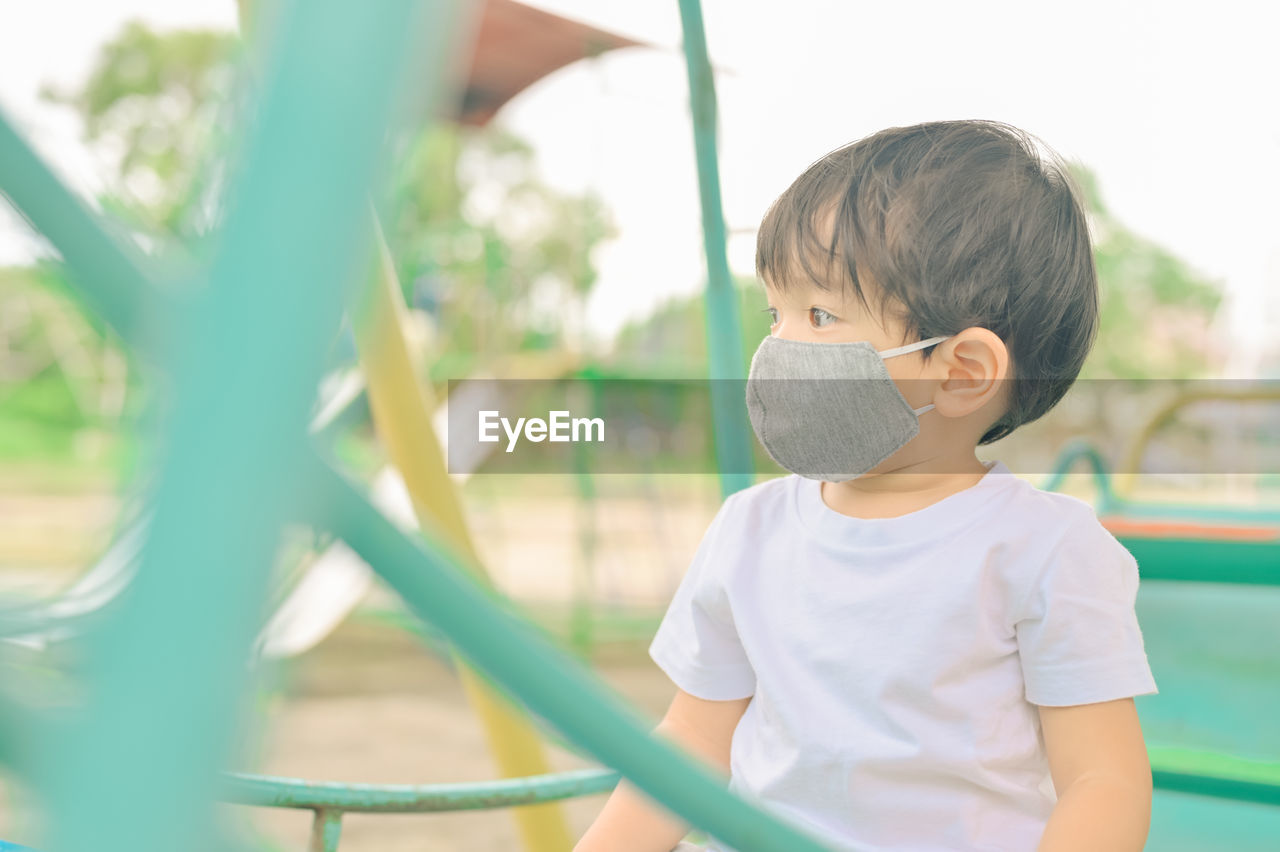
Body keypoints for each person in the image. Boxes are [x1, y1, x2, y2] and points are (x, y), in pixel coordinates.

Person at [574, 119, 1157, 852]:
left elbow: (1102, 780)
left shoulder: (1043, 551)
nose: (779, 348)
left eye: (820, 315)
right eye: (776, 312)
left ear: (962, 371)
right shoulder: (749, 529)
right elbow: (692, 735)